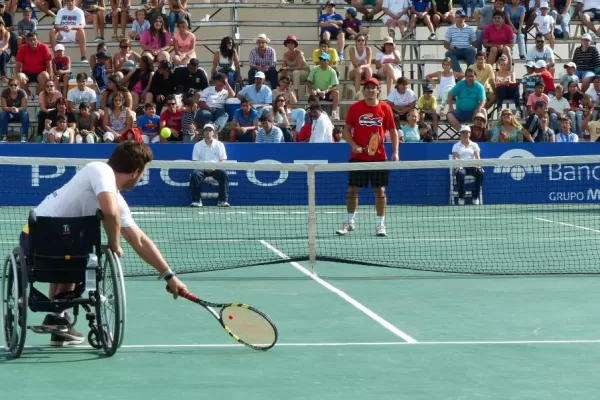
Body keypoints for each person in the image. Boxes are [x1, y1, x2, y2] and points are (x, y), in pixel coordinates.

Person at [25, 142, 187, 346]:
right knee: (79, 250)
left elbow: (140, 240)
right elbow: (110, 214)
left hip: (49, 246)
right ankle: (58, 314)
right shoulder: (100, 170)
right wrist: (114, 245)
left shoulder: (114, 195)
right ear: (137, 171)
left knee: (74, 247)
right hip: (41, 239)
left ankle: (59, 320)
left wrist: (169, 275)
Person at [337, 77, 399, 237]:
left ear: (378, 90)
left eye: (374, 87)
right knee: (352, 190)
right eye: (368, 87)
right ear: (364, 90)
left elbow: (393, 131)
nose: (371, 90)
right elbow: (345, 131)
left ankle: (380, 224)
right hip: (358, 157)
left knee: (380, 191)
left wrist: (395, 152)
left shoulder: (385, 109)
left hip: (379, 158)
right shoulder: (355, 108)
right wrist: (353, 145)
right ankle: (350, 222)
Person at [189, 123, 230, 208]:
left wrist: (215, 167)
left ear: (213, 132)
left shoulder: (220, 144)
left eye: (210, 130)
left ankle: (222, 201)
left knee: (224, 174)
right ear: (203, 132)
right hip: (201, 168)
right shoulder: (197, 145)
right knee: (194, 175)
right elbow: (195, 161)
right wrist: (204, 167)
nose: (208, 132)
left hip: (216, 168)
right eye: (206, 130)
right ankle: (196, 201)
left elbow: (223, 159)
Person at [452, 125, 483, 205]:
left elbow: (477, 157)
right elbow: (455, 157)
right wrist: (459, 166)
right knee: (459, 173)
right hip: (462, 167)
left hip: (473, 166)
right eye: (463, 133)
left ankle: (475, 196)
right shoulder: (456, 145)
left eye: (467, 132)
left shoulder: (475, 145)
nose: (465, 134)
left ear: (469, 134)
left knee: (480, 173)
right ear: (460, 134)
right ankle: (461, 196)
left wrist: (478, 165)